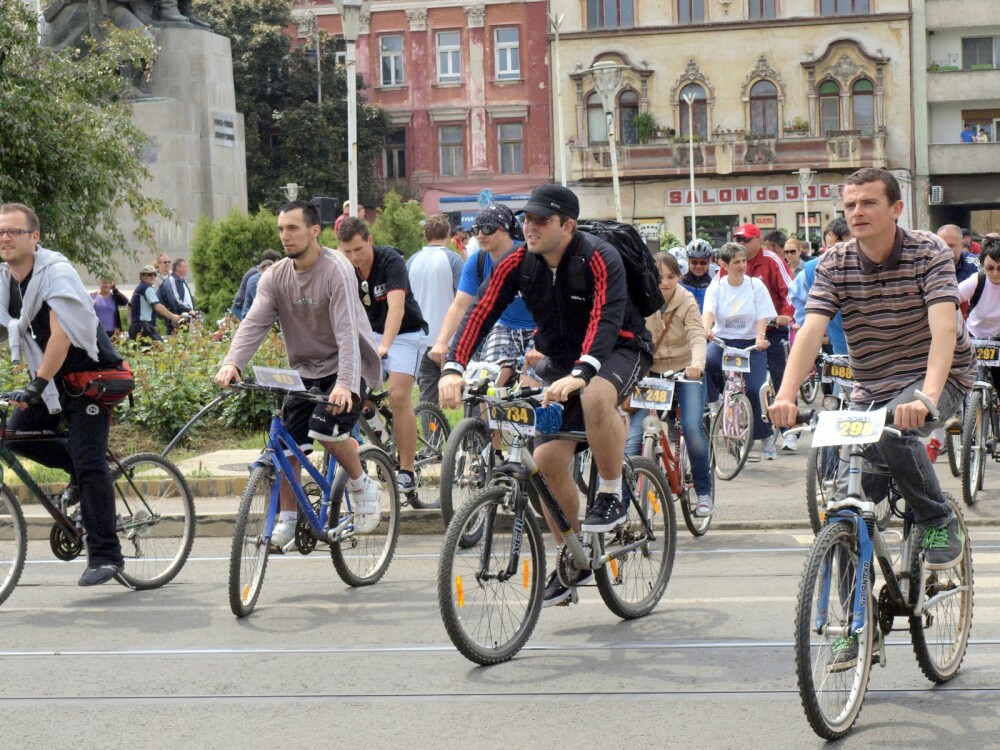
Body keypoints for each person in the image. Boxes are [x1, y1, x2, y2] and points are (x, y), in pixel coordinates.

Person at [769, 169, 973, 671]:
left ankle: (936, 518)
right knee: (847, 508)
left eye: (868, 203)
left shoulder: (927, 252)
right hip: (871, 387)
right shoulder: (835, 261)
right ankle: (853, 627)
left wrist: (927, 397)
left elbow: (944, 327)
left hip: (938, 378)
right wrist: (788, 393)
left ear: (896, 208)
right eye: (850, 205)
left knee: (897, 427)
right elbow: (811, 330)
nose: (856, 213)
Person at [437, 183, 653, 607]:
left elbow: (605, 319)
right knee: (548, 461)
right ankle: (571, 560)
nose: (529, 227)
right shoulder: (518, 262)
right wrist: (453, 367)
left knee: (594, 398)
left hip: (620, 347)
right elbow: (481, 312)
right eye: (526, 219)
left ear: (567, 225)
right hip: (560, 358)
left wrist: (582, 372)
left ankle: (610, 494)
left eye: (540, 220)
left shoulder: (598, 256)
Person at [214, 200, 384, 549]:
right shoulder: (275, 276)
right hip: (305, 370)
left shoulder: (336, 269)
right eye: (280, 229)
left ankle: (360, 482)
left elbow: (347, 332)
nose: (285, 236)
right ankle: (288, 520)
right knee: (287, 447)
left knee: (327, 429)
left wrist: (345, 384)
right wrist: (233, 363)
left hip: (347, 366)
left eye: (292, 228)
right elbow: (254, 323)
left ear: (314, 231)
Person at [0, 202, 126, 586]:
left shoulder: (56, 273)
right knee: (17, 434)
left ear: (34, 238)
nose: (4, 238)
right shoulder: (5, 280)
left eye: (13, 232)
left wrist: (37, 385)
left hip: (91, 378)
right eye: (0, 232)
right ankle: (78, 475)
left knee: (91, 464)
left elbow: (62, 334)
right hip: (54, 381)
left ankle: (106, 555)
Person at [337, 216, 428, 495]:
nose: (354, 257)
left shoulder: (391, 261)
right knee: (351, 394)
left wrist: (385, 346)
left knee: (399, 396)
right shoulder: (343, 268)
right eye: (347, 251)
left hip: (404, 334)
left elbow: (397, 309)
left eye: (358, 249)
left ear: (369, 241)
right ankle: (383, 438)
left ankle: (407, 470)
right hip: (369, 334)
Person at [625, 253, 712, 514]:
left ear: (679, 277)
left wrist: (697, 365)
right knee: (632, 440)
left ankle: (704, 491)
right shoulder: (639, 298)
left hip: (686, 371)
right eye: (659, 277)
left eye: (671, 277)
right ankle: (619, 504)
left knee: (692, 429)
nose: (664, 283)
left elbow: (697, 334)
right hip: (651, 372)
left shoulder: (686, 300)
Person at [430, 202, 537, 388]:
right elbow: (459, 306)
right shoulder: (477, 261)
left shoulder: (530, 256)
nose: (480, 235)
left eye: (487, 229)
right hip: (504, 326)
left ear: (504, 230)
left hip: (538, 328)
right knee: (483, 383)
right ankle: (484, 419)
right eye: (476, 229)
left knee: (529, 386)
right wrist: (441, 341)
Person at [703, 242, 777, 458]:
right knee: (706, 361)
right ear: (724, 264)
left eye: (744, 261)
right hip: (723, 341)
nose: (742, 265)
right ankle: (714, 401)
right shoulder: (716, 286)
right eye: (736, 262)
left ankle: (765, 437)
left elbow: (762, 314)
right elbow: (708, 312)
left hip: (751, 344)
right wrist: (706, 329)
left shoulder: (755, 285)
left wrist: (760, 338)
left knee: (755, 389)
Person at [726, 222, 794, 437]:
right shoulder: (729, 263)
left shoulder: (772, 260)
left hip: (773, 330)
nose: (742, 244)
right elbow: (718, 293)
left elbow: (790, 291)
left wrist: (787, 315)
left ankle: (789, 429)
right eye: (739, 239)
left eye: (746, 240)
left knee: (781, 376)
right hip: (742, 333)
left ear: (758, 241)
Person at [407, 214, 464, 405]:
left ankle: (433, 434)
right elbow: (463, 298)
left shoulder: (411, 261)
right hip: (450, 339)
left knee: (427, 397)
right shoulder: (454, 260)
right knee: (467, 392)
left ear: (425, 233)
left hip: (421, 339)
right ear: (448, 233)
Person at [128, 265, 184, 341]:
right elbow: (158, 307)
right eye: (149, 274)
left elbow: (129, 306)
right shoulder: (147, 288)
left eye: (154, 274)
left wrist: (131, 322)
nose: (153, 277)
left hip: (136, 327)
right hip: (145, 326)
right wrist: (173, 317)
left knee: (143, 351)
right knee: (160, 349)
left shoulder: (138, 289)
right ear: (141, 276)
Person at [231, 249, 282, 320]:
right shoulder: (256, 274)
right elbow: (259, 300)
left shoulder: (265, 272)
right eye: (277, 263)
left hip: (248, 305)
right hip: (240, 307)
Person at [157, 257, 195, 334]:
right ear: (178, 268)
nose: (187, 269)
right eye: (185, 266)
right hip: (177, 320)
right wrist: (189, 309)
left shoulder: (182, 281)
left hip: (187, 318)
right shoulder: (172, 280)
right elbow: (175, 300)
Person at [680, 238, 718, 312]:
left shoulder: (715, 285)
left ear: (709, 261)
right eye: (694, 262)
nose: (698, 266)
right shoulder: (680, 284)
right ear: (688, 260)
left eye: (703, 262)